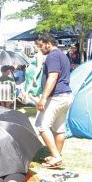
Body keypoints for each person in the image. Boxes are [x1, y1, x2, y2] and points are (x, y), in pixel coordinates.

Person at [35, 34, 73, 169]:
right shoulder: (63, 55)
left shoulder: (53, 56)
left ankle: (56, 156)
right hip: (66, 96)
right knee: (59, 129)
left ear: (48, 43)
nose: (40, 49)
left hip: (56, 97)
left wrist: (43, 98)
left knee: (41, 125)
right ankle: (56, 156)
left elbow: (53, 76)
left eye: (40, 46)